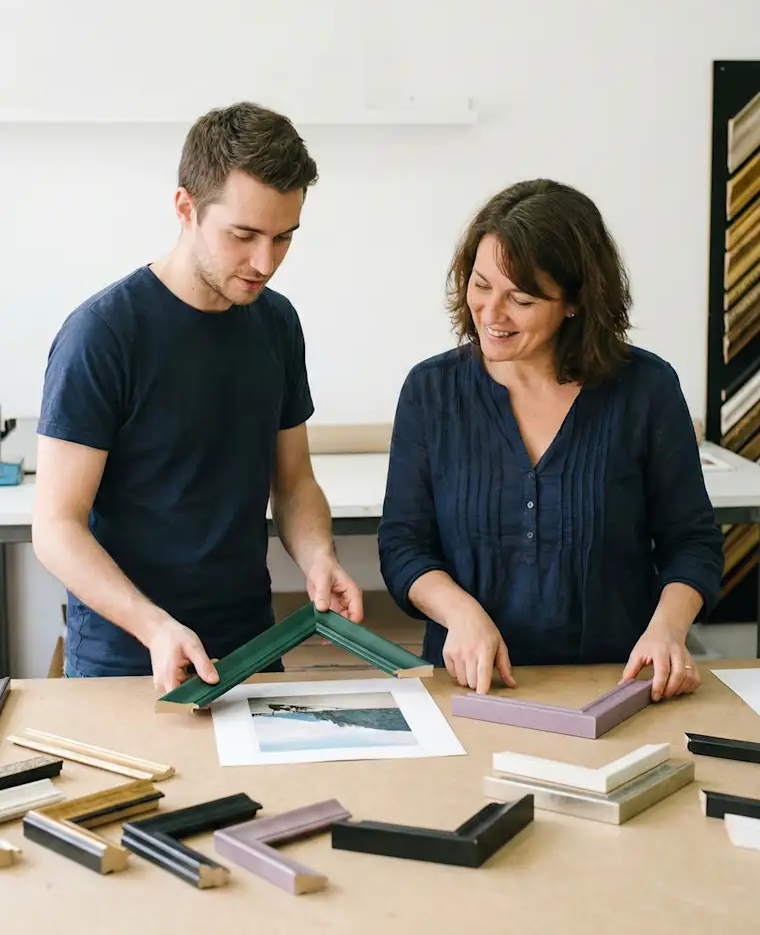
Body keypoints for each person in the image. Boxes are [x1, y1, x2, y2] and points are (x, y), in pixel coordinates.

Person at [32, 101, 363, 693]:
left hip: (251, 648)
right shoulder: (103, 336)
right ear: (186, 208)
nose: (265, 262)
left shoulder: (276, 324)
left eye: (283, 238)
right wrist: (154, 626)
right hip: (129, 657)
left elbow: (293, 483)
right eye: (244, 236)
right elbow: (56, 526)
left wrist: (318, 558)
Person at [378, 178, 723, 701]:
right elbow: (404, 546)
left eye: (520, 298)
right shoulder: (432, 391)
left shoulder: (646, 390)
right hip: (474, 692)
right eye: (480, 284)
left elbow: (692, 544)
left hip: (619, 686)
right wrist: (462, 615)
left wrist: (668, 628)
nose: (491, 314)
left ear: (574, 302)